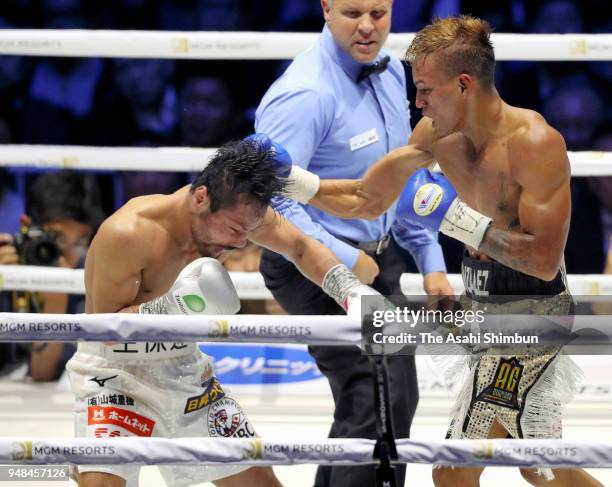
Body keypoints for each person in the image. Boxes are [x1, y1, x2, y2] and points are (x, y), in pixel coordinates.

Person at [279, 14, 603, 487]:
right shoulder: (435, 134)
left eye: (427, 89)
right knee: (538, 463)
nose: (418, 101)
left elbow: (543, 259)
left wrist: (456, 220)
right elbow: (367, 198)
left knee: (453, 468)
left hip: (533, 315)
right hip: (479, 304)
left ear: (465, 84)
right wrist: (291, 181)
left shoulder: (534, 143)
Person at [66, 138, 383, 487]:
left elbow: (301, 246)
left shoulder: (242, 211)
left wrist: (351, 293)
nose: (239, 244)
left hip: (183, 370)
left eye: (248, 233)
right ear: (201, 197)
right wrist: (171, 308)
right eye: (234, 230)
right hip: (113, 378)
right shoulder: (129, 233)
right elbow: (107, 336)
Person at [254, 1, 453, 486]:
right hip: (312, 265)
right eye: (352, 12)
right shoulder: (305, 93)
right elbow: (270, 201)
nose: (367, 26)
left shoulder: (387, 73)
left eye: (378, 12)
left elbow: (399, 178)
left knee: (387, 398)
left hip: (378, 258)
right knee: (373, 393)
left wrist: (430, 261)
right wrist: (345, 261)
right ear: (325, 8)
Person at [0, 171, 103, 381]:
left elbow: (42, 376)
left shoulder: (91, 282)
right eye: (56, 238)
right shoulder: (6, 264)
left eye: (80, 242)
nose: (68, 253)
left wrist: (56, 299)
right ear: (27, 226)